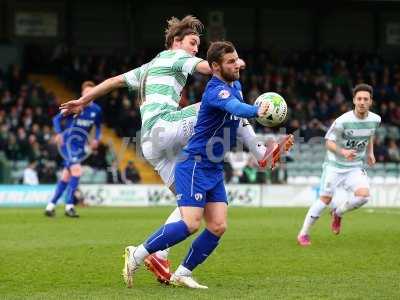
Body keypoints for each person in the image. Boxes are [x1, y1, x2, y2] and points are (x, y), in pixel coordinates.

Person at [59, 15, 291, 282]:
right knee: (223, 104)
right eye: (192, 43)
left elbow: (113, 82)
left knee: (190, 207)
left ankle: (159, 253)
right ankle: (260, 152)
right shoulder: (175, 57)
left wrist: (83, 100)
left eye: (196, 45)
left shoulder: (147, 67)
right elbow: (210, 67)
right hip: (164, 128)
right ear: (175, 41)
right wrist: (234, 62)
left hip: (152, 144)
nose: (194, 49)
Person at [122, 41, 294, 289]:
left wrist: (265, 153)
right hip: (194, 164)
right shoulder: (215, 91)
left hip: (213, 167)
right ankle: (136, 254)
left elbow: (238, 122)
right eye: (230, 62)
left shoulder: (236, 85)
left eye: (237, 60)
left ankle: (182, 273)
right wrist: (257, 109)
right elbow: (235, 108)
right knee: (191, 223)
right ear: (215, 67)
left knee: (218, 226)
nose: (237, 65)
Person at [297, 83, 381, 246]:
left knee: (363, 197)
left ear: (371, 101)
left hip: (355, 166)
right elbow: (328, 142)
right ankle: (303, 233)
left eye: (366, 99)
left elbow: (370, 134)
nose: (362, 102)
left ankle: (338, 213)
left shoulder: (375, 119)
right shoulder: (342, 121)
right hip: (334, 166)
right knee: (324, 200)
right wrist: (343, 152)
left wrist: (370, 153)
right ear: (354, 101)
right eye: (359, 99)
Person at [44, 81, 102, 218]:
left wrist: (96, 139)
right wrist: (58, 133)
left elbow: (99, 127)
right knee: (77, 171)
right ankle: (69, 206)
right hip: (68, 144)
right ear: (82, 94)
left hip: (80, 147)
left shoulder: (97, 110)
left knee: (66, 176)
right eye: (85, 92)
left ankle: (50, 206)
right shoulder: (76, 106)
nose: (88, 95)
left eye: (91, 93)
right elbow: (56, 119)